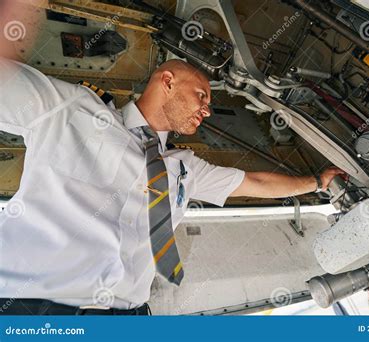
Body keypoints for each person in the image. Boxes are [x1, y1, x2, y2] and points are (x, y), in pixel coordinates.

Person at [0, 58, 345, 315]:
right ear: (167, 80)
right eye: (201, 96)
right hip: (32, 307)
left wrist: (315, 181)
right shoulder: (71, 109)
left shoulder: (184, 168)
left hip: (128, 317)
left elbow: (254, 182)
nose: (207, 111)